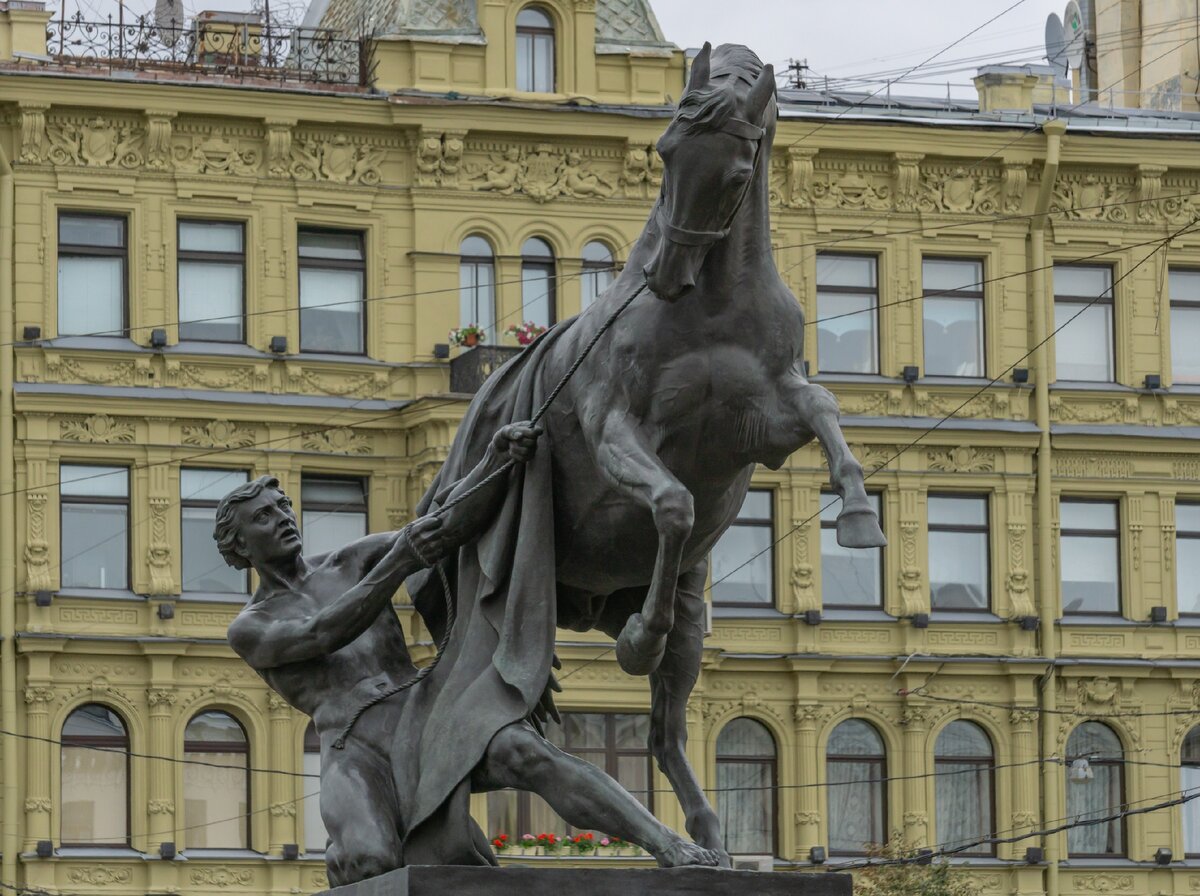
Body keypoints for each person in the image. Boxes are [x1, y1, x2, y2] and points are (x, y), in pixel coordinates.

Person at [215, 422, 718, 885]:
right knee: (370, 861)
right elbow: (322, 633)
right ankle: (350, 853)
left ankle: (667, 844)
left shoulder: (349, 559)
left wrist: (495, 460)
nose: (282, 518)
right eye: (264, 516)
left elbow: (446, 525)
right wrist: (397, 564)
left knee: (527, 753)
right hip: (354, 744)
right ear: (239, 547)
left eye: (283, 506)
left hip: (423, 709)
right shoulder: (252, 626)